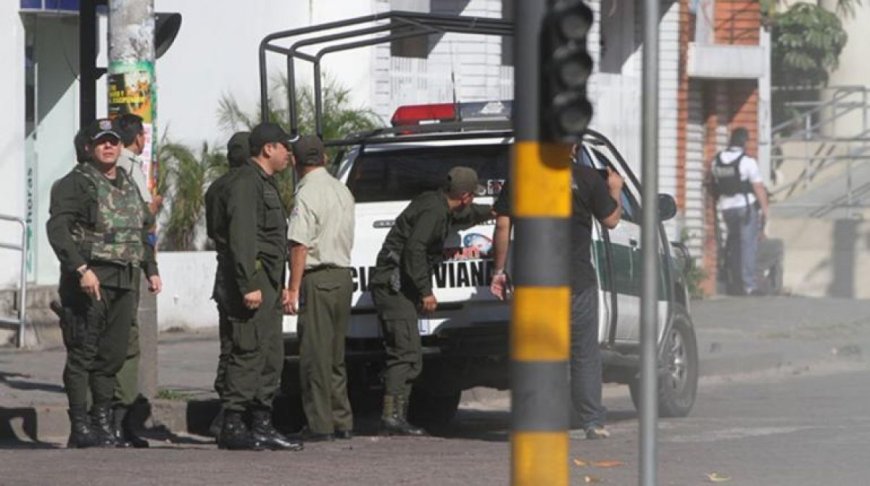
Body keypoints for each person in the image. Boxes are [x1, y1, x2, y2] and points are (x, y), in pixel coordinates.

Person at [490, 147, 623, 440]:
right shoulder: (587, 178)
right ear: (573, 148)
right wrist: (615, 188)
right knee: (583, 353)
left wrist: (499, 270)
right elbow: (611, 220)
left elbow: (502, 224)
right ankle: (592, 421)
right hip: (576, 282)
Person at [46, 118, 162, 448]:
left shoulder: (127, 182)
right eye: (101, 142)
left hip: (124, 279)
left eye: (113, 141)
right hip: (91, 279)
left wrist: (151, 268)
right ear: (88, 147)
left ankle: (101, 420)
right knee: (83, 353)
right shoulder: (75, 183)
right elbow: (58, 230)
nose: (109, 146)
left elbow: (141, 228)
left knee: (112, 355)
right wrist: (81, 269)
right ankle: (80, 425)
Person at [370, 166, 493, 436]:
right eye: (472, 195)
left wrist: (493, 211)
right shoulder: (434, 212)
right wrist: (426, 291)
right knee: (406, 354)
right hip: (394, 288)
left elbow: (466, 215)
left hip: (399, 288)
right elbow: (415, 249)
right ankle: (391, 417)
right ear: (465, 196)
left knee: (408, 355)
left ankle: (397, 416)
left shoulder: (439, 204)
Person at [214, 122, 302, 451]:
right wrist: (248, 282)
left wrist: (279, 283)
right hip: (252, 279)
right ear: (268, 149)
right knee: (247, 350)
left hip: (268, 279)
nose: (289, 153)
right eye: (284, 147)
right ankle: (233, 423)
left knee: (269, 352)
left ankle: (262, 423)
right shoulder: (245, 184)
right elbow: (242, 237)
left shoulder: (263, 182)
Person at [285, 135, 356, 442]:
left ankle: (319, 424)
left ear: (294, 161)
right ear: (324, 158)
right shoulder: (342, 189)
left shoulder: (306, 194)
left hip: (318, 278)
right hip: (343, 276)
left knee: (315, 354)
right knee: (335, 355)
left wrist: (293, 288)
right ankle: (342, 419)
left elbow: (299, 244)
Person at [110, 113, 163, 448]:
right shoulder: (128, 167)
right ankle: (116, 421)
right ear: (138, 138)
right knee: (123, 344)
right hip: (121, 266)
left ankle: (115, 421)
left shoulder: (118, 167)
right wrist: (153, 208)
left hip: (123, 264)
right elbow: (143, 220)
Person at [204, 131, 250, 439]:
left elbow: (213, 231)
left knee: (229, 344)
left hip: (224, 270)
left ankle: (227, 410)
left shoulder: (216, 187)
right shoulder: (244, 187)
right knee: (242, 344)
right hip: (240, 272)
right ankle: (230, 414)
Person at [708, 127, 769, 296]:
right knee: (747, 246)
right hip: (745, 208)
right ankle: (749, 286)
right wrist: (765, 210)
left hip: (726, 209)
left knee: (734, 246)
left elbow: (713, 185)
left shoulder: (717, 160)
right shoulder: (747, 161)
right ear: (744, 142)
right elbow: (758, 187)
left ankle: (734, 284)